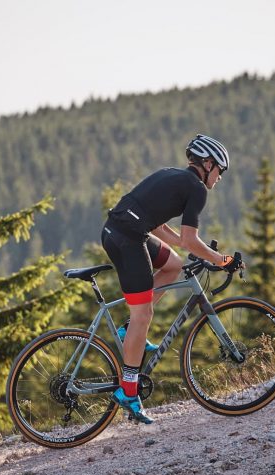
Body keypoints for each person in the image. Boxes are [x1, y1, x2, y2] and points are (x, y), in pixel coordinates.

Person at [101, 134, 242, 424]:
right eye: (220, 171)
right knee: (144, 315)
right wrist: (223, 261)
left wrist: (184, 245)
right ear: (207, 164)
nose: (220, 178)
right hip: (128, 239)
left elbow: (158, 223)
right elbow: (192, 239)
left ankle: (130, 331)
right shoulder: (197, 189)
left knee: (173, 265)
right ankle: (128, 390)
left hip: (119, 231)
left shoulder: (173, 175)